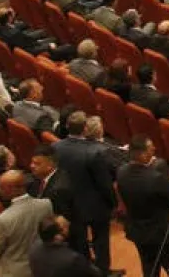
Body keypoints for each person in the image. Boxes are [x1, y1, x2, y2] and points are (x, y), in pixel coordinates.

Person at [54, 115, 119, 274]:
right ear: (85, 129)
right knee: (101, 241)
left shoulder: (55, 147)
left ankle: (86, 272)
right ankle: (103, 271)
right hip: (95, 205)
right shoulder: (95, 151)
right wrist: (113, 202)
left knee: (79, 243)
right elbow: (104, 184)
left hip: (70, 205)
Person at [115, 134, 169, 277]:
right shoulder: (155, 178)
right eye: (151, 148)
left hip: (139, 233)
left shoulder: (121, 172)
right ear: (143, 155)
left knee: (149, 268)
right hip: (162, 234)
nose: (154, 149)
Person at [0, 170, 54, 277]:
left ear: (13, 189)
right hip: (43, 266)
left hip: (15, 272)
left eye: (1, 187)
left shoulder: (2, 219)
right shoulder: (46, 205)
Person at [30, 217, 102, 277]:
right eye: (64, 227)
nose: (68, 228)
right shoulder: (73, 258)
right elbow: (96, 273)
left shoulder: (33, 249)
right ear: (57, 237)